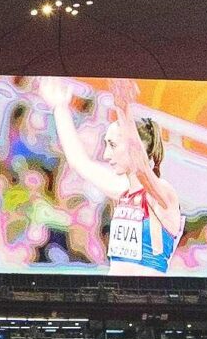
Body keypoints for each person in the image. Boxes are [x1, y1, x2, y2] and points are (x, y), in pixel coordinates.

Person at [35, 77, 183, 276]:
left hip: (148, 301)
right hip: (118, 297)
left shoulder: (163, 193)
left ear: (137, 147)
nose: (106, 155)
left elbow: (141, 169)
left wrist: (123, 109)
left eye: (113, 145)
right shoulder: (122, 190)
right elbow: (80, 162)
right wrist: (60, 108)